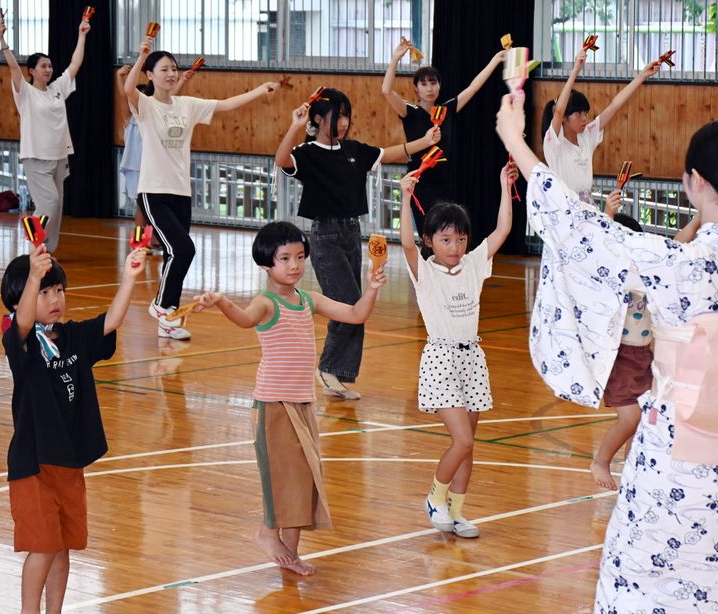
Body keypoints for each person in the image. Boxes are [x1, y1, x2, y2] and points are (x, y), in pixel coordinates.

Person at [497, 65, 718, 610]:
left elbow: (575, 225)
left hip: (678, 457)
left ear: (694, 182)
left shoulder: (676, 262)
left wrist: (516, 140)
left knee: (642, 584)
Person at [191, 221, 387, 575]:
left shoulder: (308, 301)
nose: (295, 265)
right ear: (266, 264)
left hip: (302, 405)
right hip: (274, 407)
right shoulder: (266, 303)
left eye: (299, 256)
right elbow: (244, 319)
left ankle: (291, 554)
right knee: (283, 479)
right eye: (285, 258)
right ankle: (268, 532)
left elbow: (356, 314)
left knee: (305, 480)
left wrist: (371, 288)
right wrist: (221, 301)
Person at [1, 244, 146, 614]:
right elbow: (22, 323)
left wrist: (129, 278)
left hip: (68, 463)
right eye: (44, 292)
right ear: (20, 302)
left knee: (62, 546)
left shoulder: (73, 337)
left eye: (59, 290)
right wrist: (34, 275)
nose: (54, 299)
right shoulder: (21, 345)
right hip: (33, 465)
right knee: (45, 546)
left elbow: (110, 321)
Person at [274, 88, 439, 400]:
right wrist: (295, 126)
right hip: (325, 235)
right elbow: (282, 160)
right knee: (349, 303)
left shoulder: (354, 151)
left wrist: (427, 141)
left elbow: (395, 151)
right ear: (319, 119)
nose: (343, 123)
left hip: (352, 233)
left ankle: (338, 373)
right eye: (337, 116)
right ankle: (328, 367)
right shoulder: (308, 153)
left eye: (347, 116)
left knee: (358, 305)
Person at [124, 34, 279, 340]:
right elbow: (128, 89)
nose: (171, 74)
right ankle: (161, 306)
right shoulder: (145, 106)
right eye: (164, 69)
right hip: (154, 192)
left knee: (177, 255)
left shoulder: (187, 105)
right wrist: (142, 55)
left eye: (174, 69)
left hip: (181, 192)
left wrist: (260, 90)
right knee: (184, 248)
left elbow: (225, 105)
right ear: (151, 75)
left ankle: (167, 319)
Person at [398, 162, 515, 538]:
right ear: (430, 241)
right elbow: (403, 242)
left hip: (472, 360)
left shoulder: (474, 264)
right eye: (446, 240)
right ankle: (435, 498)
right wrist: (403, 197)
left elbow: (503, 230)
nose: (455, 247)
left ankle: (458, 512)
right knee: (461, 439)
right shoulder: (425, 273)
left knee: (469, 445)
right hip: (441, 359)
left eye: (461, 239)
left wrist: (502, 185)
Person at [382, 39, 507, 236]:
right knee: (428, 234)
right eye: (423, 84)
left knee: (446, 232)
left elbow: (473, 87)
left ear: (440, 85)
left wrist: (494, 61)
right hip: (420, 181)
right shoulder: (409, 112)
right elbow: (386, 91)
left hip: (446, 180)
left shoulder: (446, 109)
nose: (429, 88)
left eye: (433, 83)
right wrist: (396, 58)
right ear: (416, 88)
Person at [0, 14, 91, 253]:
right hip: (36, 157)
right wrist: (2, 39)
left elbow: (75, 64)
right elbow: (12, 67)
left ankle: (47, 250)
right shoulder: (26, 92)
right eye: (43, 66)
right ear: (32, 71)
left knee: (56, 208)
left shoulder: (57, 88)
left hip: (59, 156)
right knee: (49, 202)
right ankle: (35, 246)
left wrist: (82, 35)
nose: (48, 69)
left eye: (50, 66)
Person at [540, 48, 660, 205]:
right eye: (578, 114)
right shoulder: (554, 144)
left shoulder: (587, 136)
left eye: (586, 113)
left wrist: (642, 75)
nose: (584, 118)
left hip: (588, 206)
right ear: (564, 118)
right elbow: (560, 109)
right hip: (565, 210)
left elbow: (615, 105)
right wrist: (576, 69)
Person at [588, 210, 654, 491]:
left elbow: (677, 243)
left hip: (644, 357)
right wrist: (608, 215)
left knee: (640, 424)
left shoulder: (645, 272)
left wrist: (698, 220)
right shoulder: (610, 277)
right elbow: (595, 246)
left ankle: (632, 478)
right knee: (631, 418)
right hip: (620, 358)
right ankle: (600, 460)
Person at [116, 64, 191, 251]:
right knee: (142, 208)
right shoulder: (130, 119)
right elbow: (124, 96)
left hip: (154, 168)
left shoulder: (152, 114)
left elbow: (171, 96)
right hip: (136, 168)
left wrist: (182, 80)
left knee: (152, 208)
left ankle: (155, 239)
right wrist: (119, 78)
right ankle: (140, 242)